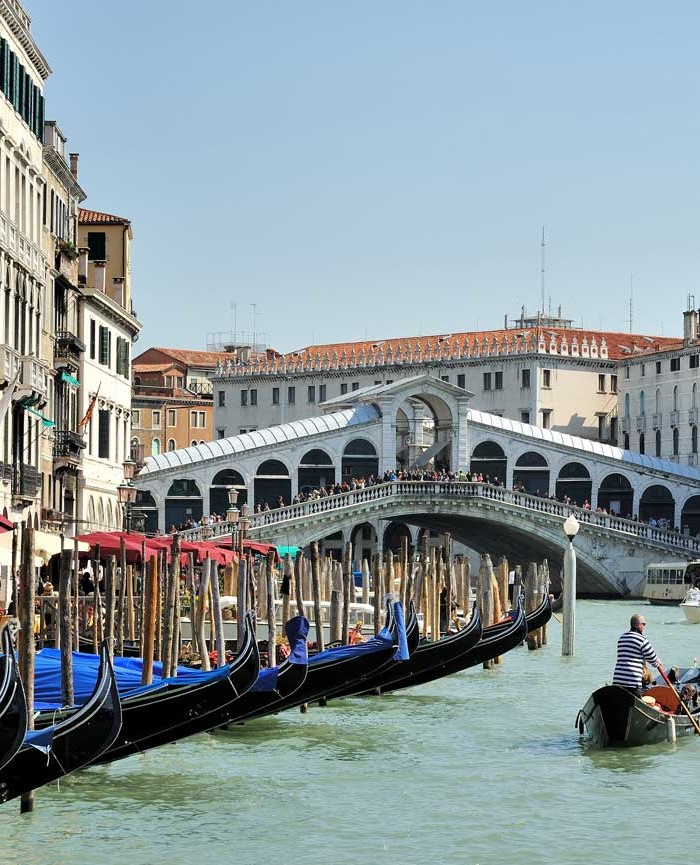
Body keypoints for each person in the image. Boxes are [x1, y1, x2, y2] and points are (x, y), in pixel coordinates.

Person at [612, 613, 663, 696]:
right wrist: (658, 661)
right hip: (632, 682)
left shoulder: (621, 638)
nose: (644, 627)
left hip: (618, 681)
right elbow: (653, 660)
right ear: (639, 625)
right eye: (644, 624)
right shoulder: (642, 640)